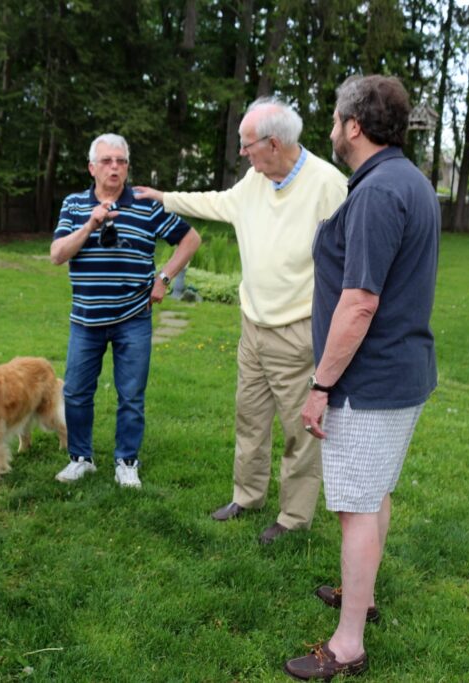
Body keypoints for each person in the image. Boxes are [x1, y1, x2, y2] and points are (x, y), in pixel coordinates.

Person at [134, 97, 347, 544]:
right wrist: (164, 198)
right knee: (249, 417)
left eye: (247, 145)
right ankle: (247, 496)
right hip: (253, 326)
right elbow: (218, 202)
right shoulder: (255, 180)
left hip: (298, 331)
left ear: (273, 144)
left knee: (299, 431)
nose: (243, 153)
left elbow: (347, 259)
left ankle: (294, 518)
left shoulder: (328, 184)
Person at [283, 75, 440, 680]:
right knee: (374, 494)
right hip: (401, 373)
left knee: (354, 507)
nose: (331, 128)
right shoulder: (408, 180)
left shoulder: (378, 192)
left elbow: (359, 303)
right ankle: (362, 596)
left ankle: (348, 645)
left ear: (353, 125)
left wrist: (321, 386)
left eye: (334, 118)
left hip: (368, 383)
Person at [50, 133, 201, 489]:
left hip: (134, 317)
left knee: (131, 395)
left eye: (121, 161)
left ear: (128, 167)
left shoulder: (146, 204)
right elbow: (57, 254)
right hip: (86, 318)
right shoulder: (75, 204)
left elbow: (191, 238)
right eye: (106, 161)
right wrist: (90, 224)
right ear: (92, 168)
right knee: (76, 392)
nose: (114, 167)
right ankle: (81, 458)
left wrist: (164, 278)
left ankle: (126, 461)